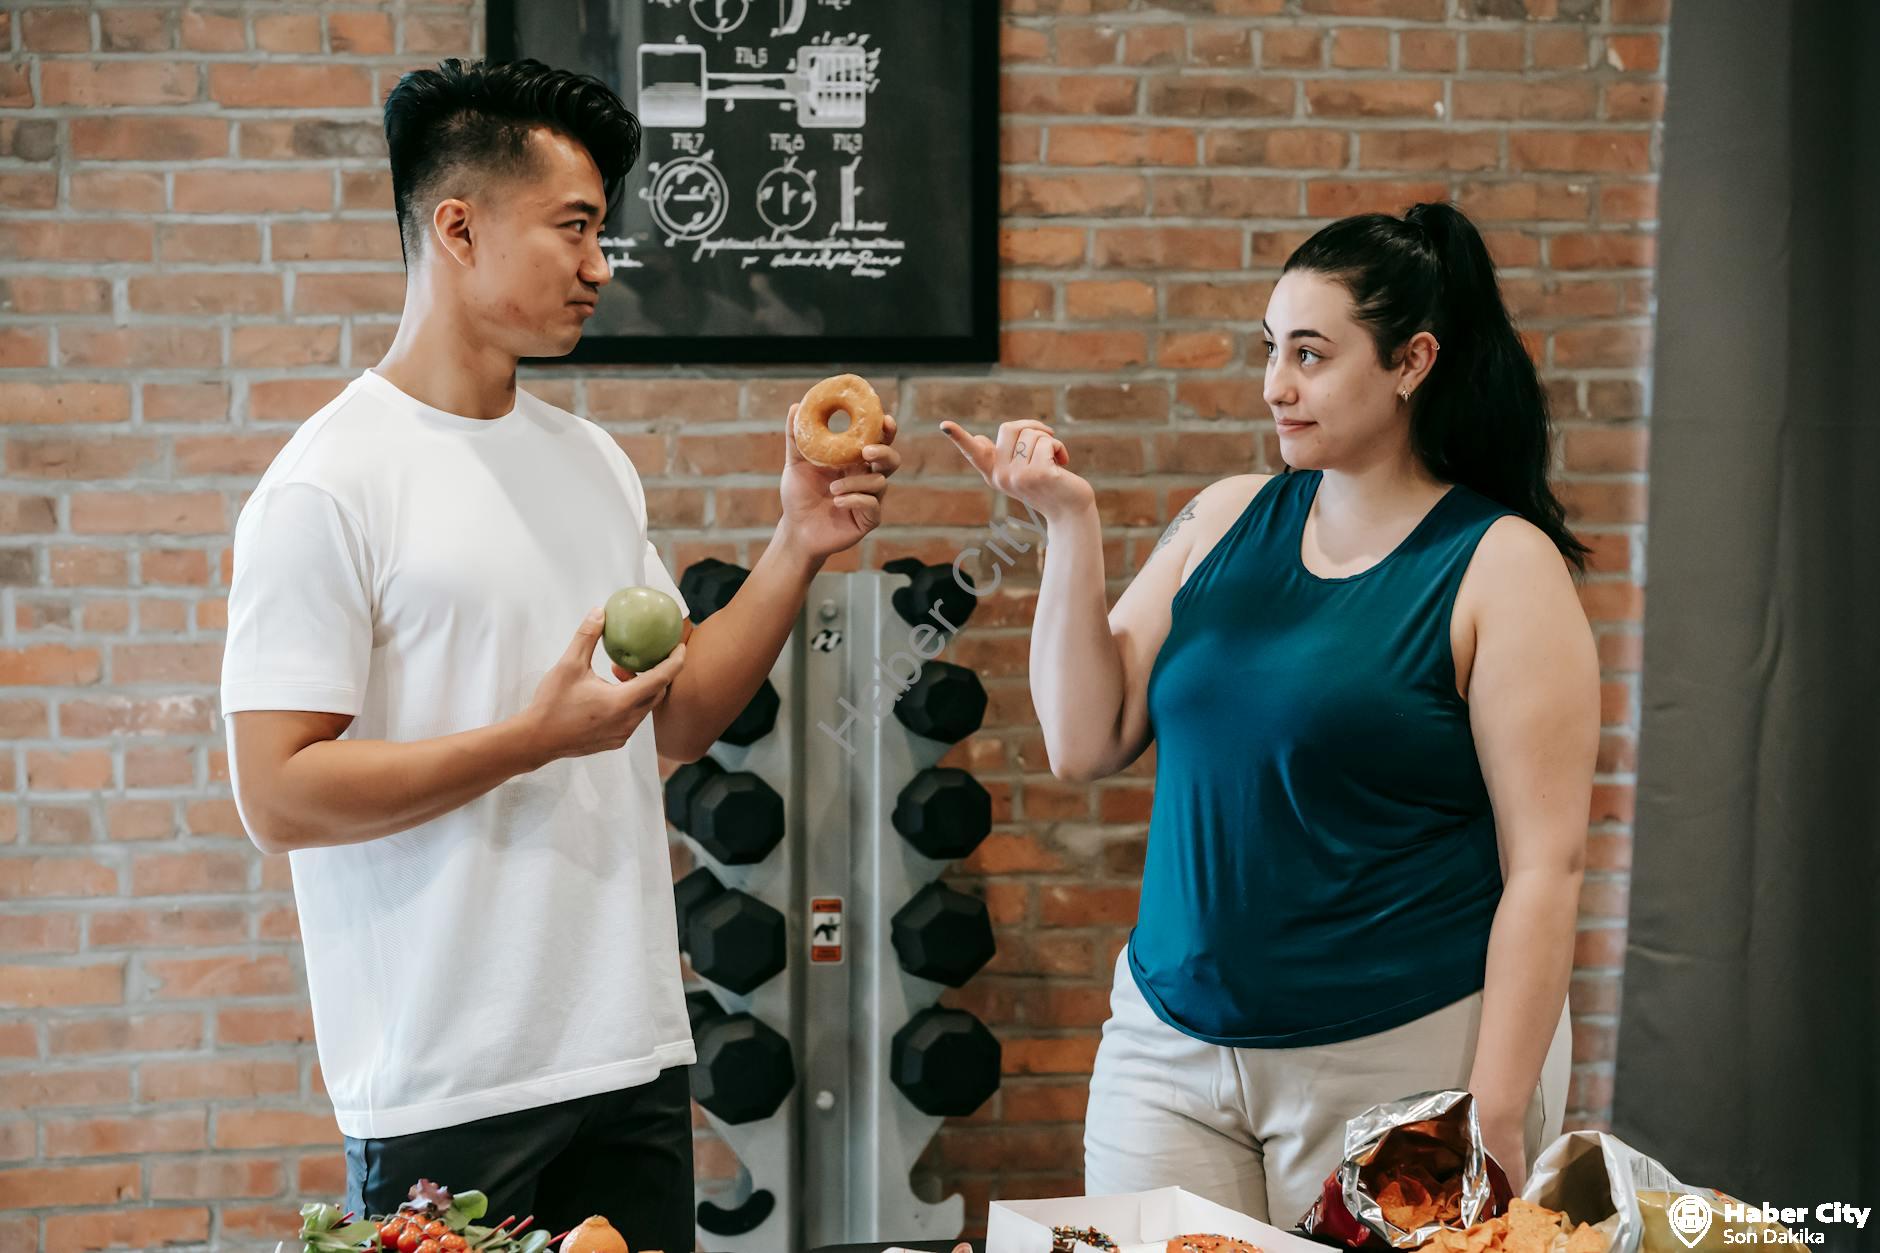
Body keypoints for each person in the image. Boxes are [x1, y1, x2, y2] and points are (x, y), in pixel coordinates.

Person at [219, 58, 899, 1248]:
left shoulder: (590, 460)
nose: (601, 264)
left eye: (603, 231)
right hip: (446, 1085)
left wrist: (796, 542)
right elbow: (277, 793)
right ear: (459, 226)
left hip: (623, 1046)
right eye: (574, 228)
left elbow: (673, 720)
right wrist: (530, 741)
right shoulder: (327, 482)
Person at [942, 202, 1597, 1224]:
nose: (1272, 384)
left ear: (1409, 361)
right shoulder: (1223, 517)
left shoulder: (1499, 565)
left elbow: (1544, 867)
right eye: (1268, 349)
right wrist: (1066, 523)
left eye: (1308, 353)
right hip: (1167, 1045)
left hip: (1396, 1056)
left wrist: (1498, 1110)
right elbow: (1082, 737)